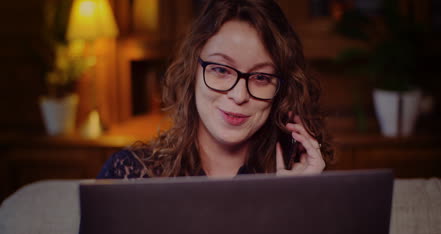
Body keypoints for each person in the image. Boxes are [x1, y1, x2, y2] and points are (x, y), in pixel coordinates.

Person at [98, 0, 333, 180]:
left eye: (261, 77)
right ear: (192, 72)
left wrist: (303, 198)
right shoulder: (128, 174)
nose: (239, 96)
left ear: (282, 91)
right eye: (221, 70)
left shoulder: (301, 175)